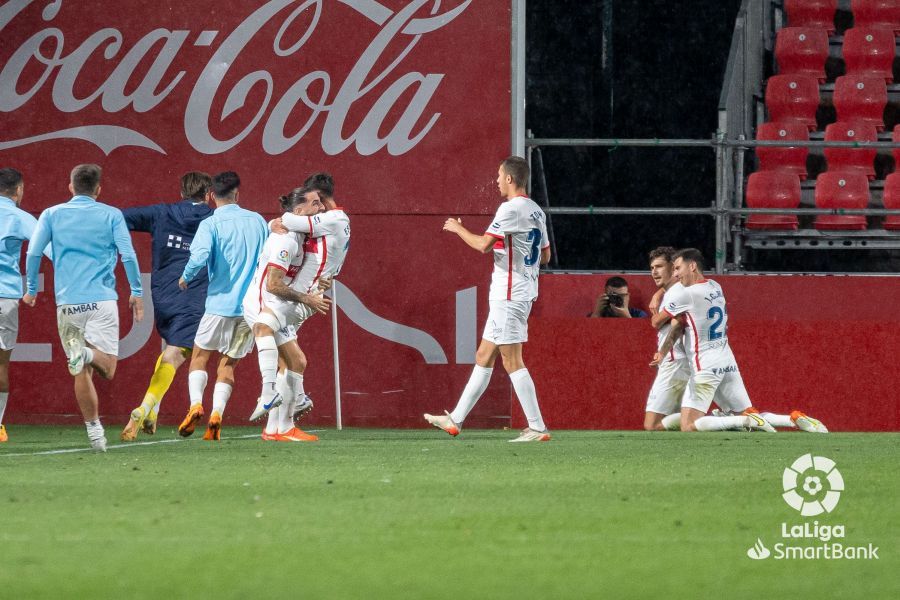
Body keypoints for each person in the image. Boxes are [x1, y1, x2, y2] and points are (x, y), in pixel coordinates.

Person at [424, 156, 552, 442]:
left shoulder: (509, 209)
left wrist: (458, 229)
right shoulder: (536, 211)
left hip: (509, 295)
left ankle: (537, 427)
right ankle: (455, 419)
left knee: (512, 361)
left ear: (509, 178)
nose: (495, 181)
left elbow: (482, 245)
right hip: (519, 292)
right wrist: (513, 250)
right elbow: (545, 255)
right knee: (484, 356)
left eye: (498, 176)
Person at [23, 164, 144, 451]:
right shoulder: (111, 214)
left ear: (70, 186)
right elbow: (127, 254)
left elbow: (33, 252)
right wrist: (136, 291)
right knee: (107, 367)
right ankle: (87, 353)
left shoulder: (52, 214)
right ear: (98, 189)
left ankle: (94, 433)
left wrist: (30, 290)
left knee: (80, 370)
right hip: (101, 301)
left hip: (68, 303)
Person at [652, 248, 827, 433]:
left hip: (705, 364)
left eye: (678, 268)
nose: (676, 274)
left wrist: (657, 299)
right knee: (747, 411)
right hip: (727, 361)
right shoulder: (715, 286)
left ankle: (743, 422)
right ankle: (792, 419)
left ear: (693, 266)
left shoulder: (686, 294)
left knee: (689, 426)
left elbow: (657, 322)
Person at [119, 172, 214, 441]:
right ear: (207, 194)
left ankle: (153, 412)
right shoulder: (213, 219)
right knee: (178, 353)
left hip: (162, 296)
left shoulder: (161, 213)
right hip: (194, 296)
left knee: (171, 348)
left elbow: (117, 219)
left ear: (182, 192)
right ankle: (143, 408)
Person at [260, 173, 351, 440]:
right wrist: (271, 224)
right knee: (291, 360)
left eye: (316, 201)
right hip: (299, 296)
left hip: (301, 297)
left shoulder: (335, 219)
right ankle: (279, 424)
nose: (317, 208)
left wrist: (273, 223)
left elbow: (288, 218)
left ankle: (283, 415)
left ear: (320, 198)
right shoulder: (336, 222)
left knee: (292, 361)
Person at [176, 171, 267, 441]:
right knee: (227, 366)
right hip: (249, 309)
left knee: (199, 358)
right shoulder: (258, 221)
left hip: (218, 305)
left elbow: (201, 254)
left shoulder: (210, 224)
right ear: (238, 194)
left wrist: (186, 276)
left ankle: (195, 405)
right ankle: (216, 414)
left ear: (211, 196)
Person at [243, 185, 332, 442]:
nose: (322, 208)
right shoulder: (286, 239)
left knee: (297, 362)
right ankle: (270, 395)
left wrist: (318, 284)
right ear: (299, 210)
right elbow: (273, 284)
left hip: (276, 301)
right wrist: (307, 299)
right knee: (268, 333)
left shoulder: (298, 235)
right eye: (316, 204)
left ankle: (276, 428)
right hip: (264, 302)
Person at [0, 168, 51, 442]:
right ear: (18, 191)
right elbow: (47, 248)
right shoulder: (20, 217)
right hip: (4, 297)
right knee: (1, 364)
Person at [643, 247, 690, 431]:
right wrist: (658, 293)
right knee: (677, 422)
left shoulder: (677, 292)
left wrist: (662, 352)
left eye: (659, 266)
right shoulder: (672, 291)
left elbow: (659, 322)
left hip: (674, 362)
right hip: (680, 361)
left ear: (673, 267)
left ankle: (715, 422)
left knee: (652, 424)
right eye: (652, 267)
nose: (654, 271)